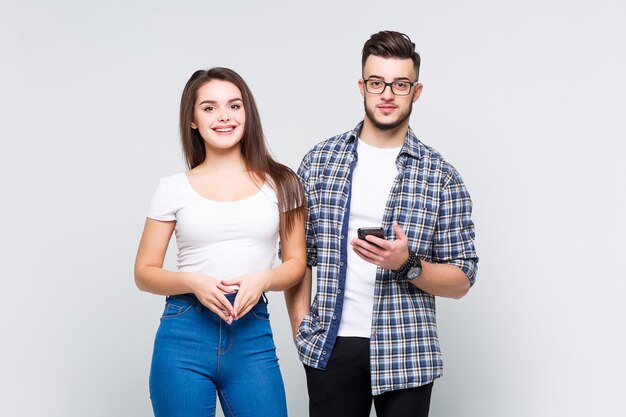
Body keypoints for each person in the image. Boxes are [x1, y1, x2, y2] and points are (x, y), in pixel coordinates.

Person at [285, 30, 479, 417]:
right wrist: (301, 330)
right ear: (362, 86)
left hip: (408, 350)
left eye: (400, 84)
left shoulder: (441, 176)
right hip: (331, 345)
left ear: (416, 91)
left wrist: (406, 265)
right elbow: (297, 257)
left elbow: (463, 279)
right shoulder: (318, 162)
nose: (387, 93)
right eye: (377, 83)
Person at [134, 67, 306, 417]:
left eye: (234, 106)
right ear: (193, 120)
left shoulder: (283, 182)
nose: (224, 116)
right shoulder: (173, 188)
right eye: (209, 107)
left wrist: (264, 278)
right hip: (184, 333)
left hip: (251, 334)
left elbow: (296, 264)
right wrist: (191, 282)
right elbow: (144, 272)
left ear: (247, 114)